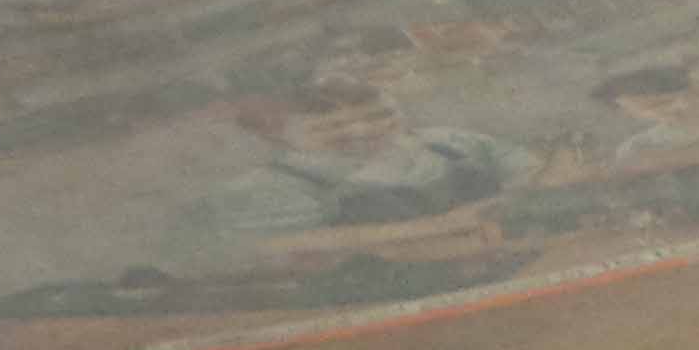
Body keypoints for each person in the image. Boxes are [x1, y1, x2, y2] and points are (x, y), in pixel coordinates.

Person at [195, 75, 533, 273]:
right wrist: (441, 226)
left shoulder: (449, 142)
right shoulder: (271, 185)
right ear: (280, 136)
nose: (363, 131)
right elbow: (273, 246)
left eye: (379, 115)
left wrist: (517, 197)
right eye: (330, 126)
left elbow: (529, 170)